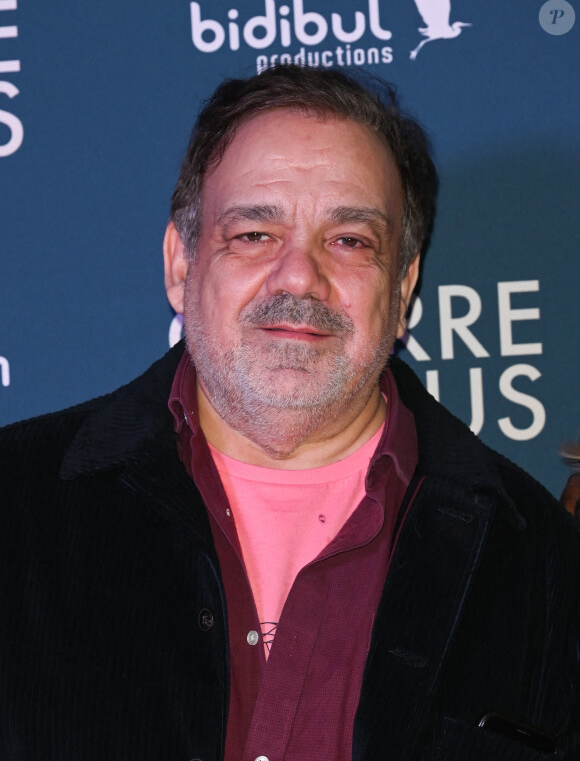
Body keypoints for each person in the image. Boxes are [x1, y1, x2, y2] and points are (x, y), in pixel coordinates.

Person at [1, 66, 578, 761]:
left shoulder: (544, 563)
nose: (300, 276)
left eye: (350, 240)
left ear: (402, 288)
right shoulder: (15, 507)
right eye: (254, 234)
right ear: (180, 265)